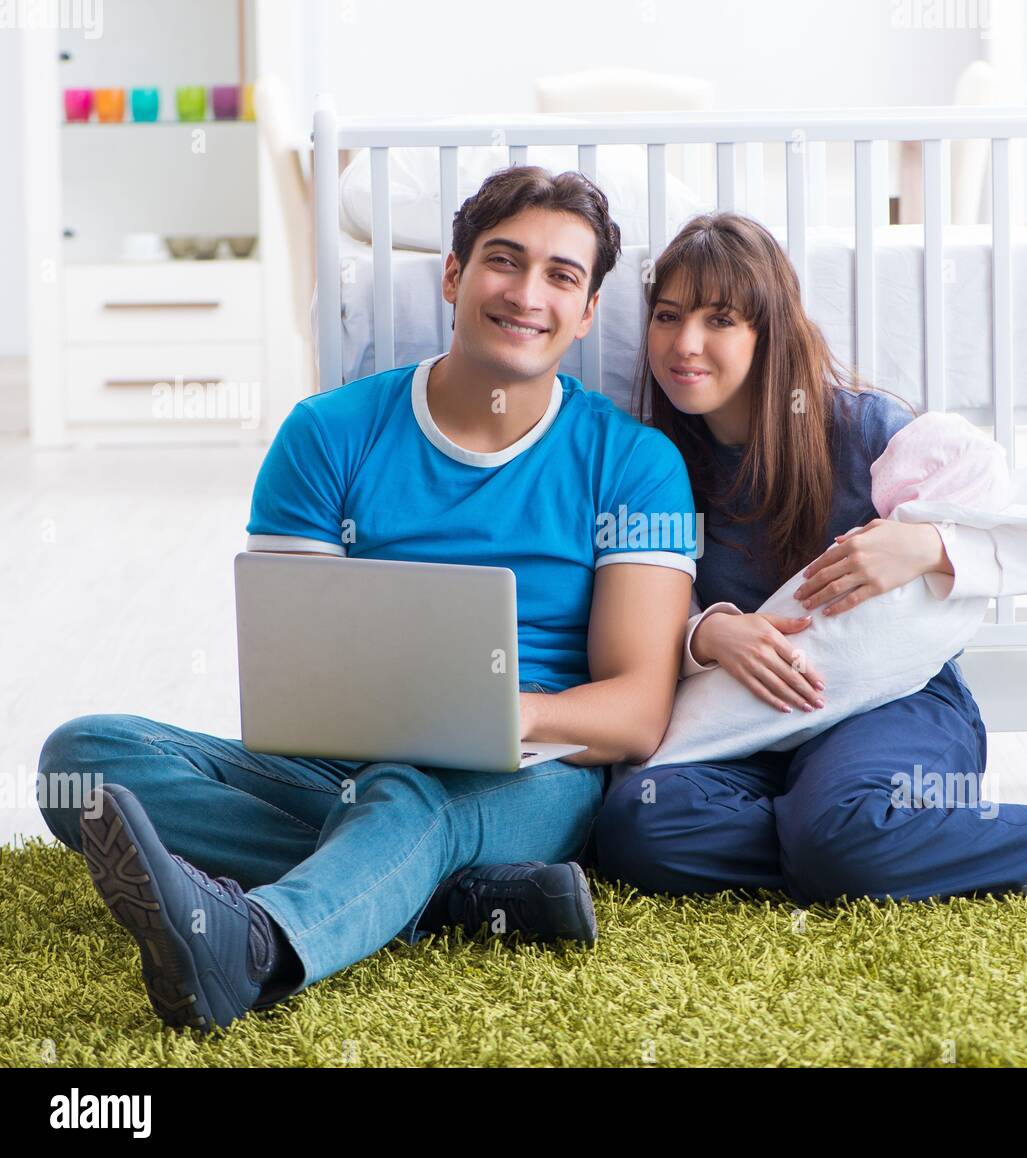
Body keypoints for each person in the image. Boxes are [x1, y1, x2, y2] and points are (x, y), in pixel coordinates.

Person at [35, 166, 697, 1033]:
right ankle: (454, 898)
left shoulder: (634, 465)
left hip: (530, 774)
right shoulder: (329, 433)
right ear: (454, 275)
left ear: (586, 310)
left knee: (408, 794)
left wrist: (495, 715)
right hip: (331, 767)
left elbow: (639, 710)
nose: (528, 293)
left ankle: (256, 944)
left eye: (561, 277)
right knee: (82, 760)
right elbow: (293, 657)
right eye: (504, 261)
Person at [595, 211, 1027, 905]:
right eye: (668, 317)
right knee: (637, 824)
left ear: (767, 331)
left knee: (836, 832)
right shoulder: (653, 461)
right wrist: (708, 633)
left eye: (719, 321)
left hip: (891, 705)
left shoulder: (866, 432)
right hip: (753, 722)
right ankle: (872, 836)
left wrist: (929, 544)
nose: (685, 344)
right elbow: (646, 614)